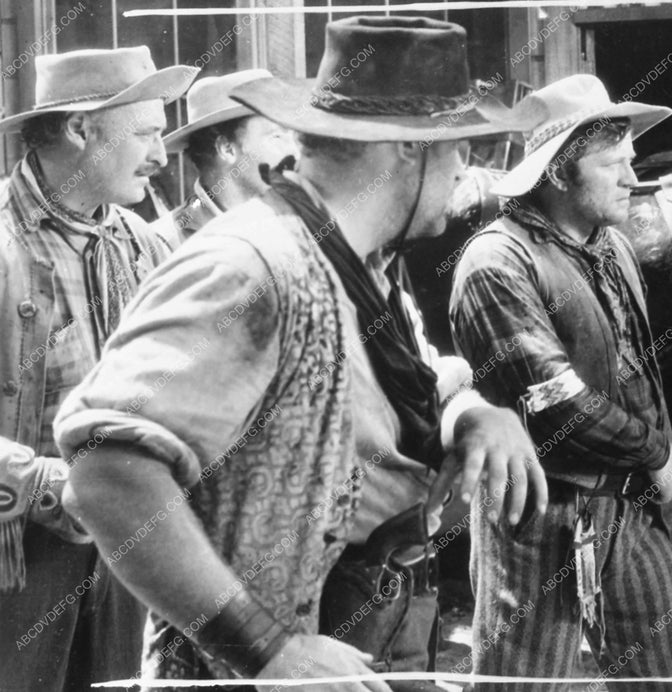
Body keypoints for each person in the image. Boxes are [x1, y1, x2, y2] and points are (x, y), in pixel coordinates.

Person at [54, 16, 546, 689]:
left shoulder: (363, 264)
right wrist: (268, 650)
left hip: (366, 640)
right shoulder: (256, 265)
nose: (466, 167)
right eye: (458, 146)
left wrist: (468, 414)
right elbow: (105, 472)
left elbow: (381, 399)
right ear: (408, 147)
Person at [449, 74, 672, 691]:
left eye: (631, 161)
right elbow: (560, 407)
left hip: (631, 508)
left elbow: (640, 374)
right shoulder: (496, 263)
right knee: (522, 688)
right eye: (613, 165)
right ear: (559, 174)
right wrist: (659, 461)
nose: (632, 178)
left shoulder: (613, 247)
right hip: (538, 513)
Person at [0, 46, 197, 691]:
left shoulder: (147, 245)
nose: (163, 156)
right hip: (16, 569)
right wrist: (47, 487)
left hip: (128, 563)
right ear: (81, 129)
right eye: (145, 134)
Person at [154, 69, 297, 243]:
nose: (294, 152)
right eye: (276, 136)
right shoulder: (164, 242)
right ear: (227, 149)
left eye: (293, 137)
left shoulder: (297, 226)